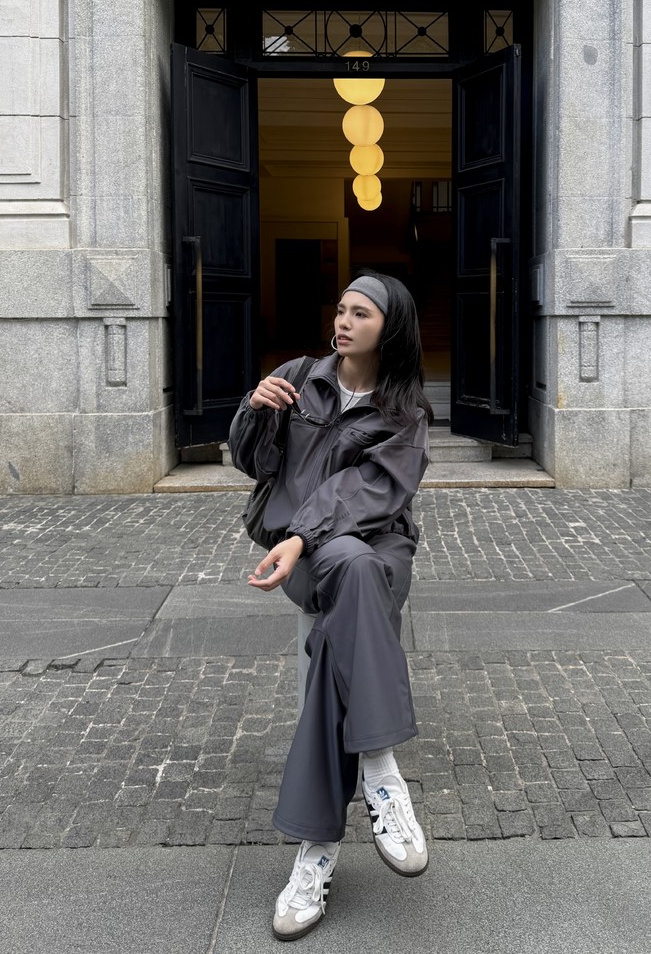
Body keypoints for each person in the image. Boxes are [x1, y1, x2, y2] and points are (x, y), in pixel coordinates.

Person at [228, 269, 433, 941]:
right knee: (348, 565)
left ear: (390, 328)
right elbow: (253, 462)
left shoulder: (405, 412)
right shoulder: (300, 377)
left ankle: (314, 854)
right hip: (307, 554)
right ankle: (380, 769)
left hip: (372, 547)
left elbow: (371, 492)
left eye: (361, 313)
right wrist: (255, 409)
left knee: (356, 572)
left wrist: (300, 536)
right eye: (341, 309)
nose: (344, 322)